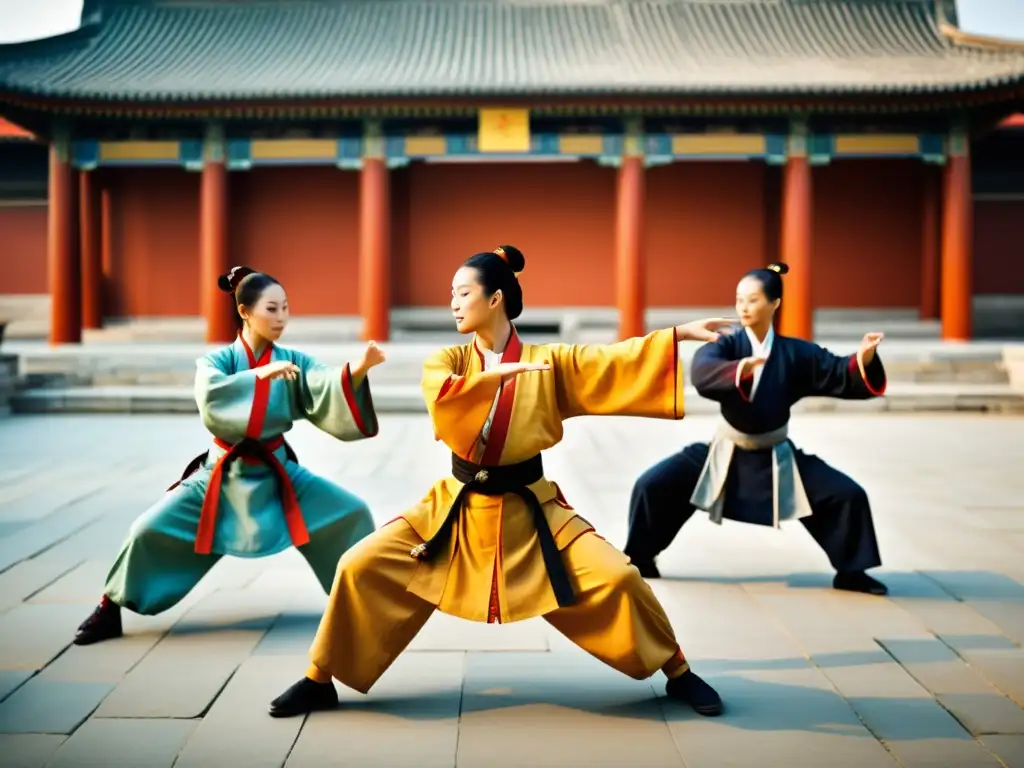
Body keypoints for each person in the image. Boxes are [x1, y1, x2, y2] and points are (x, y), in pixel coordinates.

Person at [269, 245, 732, 719]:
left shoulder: (549, 361)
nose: (452, 302)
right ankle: (318, 678)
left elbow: (609, 360)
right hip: (454, 510)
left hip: (531, 509)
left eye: (463, 293)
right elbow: (444, 402)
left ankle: (678, 670)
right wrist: (491, 380)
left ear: (494, 299)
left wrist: (676, 336)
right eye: (451, 293)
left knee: (619, 578)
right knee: (358, 565)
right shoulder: (448, 358)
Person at [73, 266, 384, 645]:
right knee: (146, 529)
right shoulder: (216, 362)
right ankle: (111, 607)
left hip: (276, 473)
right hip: (221, 474)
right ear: (244, 311)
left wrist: (358, 369)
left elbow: (322, 381)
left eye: (285, 308)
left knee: (352, 513)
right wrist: (261, 376)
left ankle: (368, 603)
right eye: (272, 309)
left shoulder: (292, 359)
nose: (282, 317)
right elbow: (211, 395)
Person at [623, 262, 888, 595]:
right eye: (739, 300)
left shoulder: (795, 353)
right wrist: (740, 370)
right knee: (654, 484)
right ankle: (640, 556)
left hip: (777, 456)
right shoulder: (726, 346)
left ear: (775, 303)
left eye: (752, 300)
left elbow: (836, 370)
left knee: (847, 495)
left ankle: (852, 572)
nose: (743, 308)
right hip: (725, 451)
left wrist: (862, 358)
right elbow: (703, 372)